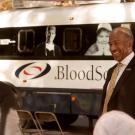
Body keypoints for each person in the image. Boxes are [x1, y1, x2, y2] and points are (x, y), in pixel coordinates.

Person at [101, 27, 135, 118]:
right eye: (110, 44)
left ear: (129, 43)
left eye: (116, 43)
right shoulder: (111, 71)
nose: (112, 48)